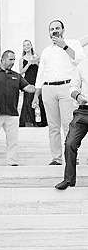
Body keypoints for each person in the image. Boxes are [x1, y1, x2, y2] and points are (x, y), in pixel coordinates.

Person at [33, 20, 84, 165]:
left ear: (63, 29)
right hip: (49, 89)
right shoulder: (46, 51)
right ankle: (56, 158)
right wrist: (36, 95)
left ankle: (72, 157)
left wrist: (65, 46)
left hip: (66, 87)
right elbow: (41, 73)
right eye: (51, 29)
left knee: (68, 124)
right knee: (53, 127)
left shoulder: (73, 44)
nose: (54, 31)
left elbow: (79, 59)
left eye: (57, 28)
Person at [0, 50, 36, 166]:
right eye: (10, 59)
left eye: (14, 59)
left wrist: (41, 86)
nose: (13, 62)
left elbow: (28, 87)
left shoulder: (16, 76)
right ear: (3, 59)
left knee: (13, 140)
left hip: (12, 113)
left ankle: (12, 161)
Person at [55, 56, 88, 190]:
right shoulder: (82, 65)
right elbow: (73, 86)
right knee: (70, 143)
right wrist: (78, 96)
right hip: (83, 111)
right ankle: (69, 179)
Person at [19, 40, 46, 127]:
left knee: (38, 98)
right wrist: (29, 64)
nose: (26, 47)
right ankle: (28, 121)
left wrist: (37, 63)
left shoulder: (36, 56)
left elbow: (42, 69)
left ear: (31, 46)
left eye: (28, 45)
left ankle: (39, 121)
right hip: (28, 80)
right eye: (24, 45)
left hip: (36, 79)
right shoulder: (22, 59)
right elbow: (21, 72)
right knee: (28, 99)